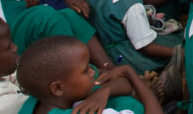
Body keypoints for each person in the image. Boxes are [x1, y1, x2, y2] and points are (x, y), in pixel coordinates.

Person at [16, 35, 161, 114]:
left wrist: (105, 91)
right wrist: (128, 71)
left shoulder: (40, 101)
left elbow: (123, 85)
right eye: (86, 70)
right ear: (58, 88)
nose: (93, 72)